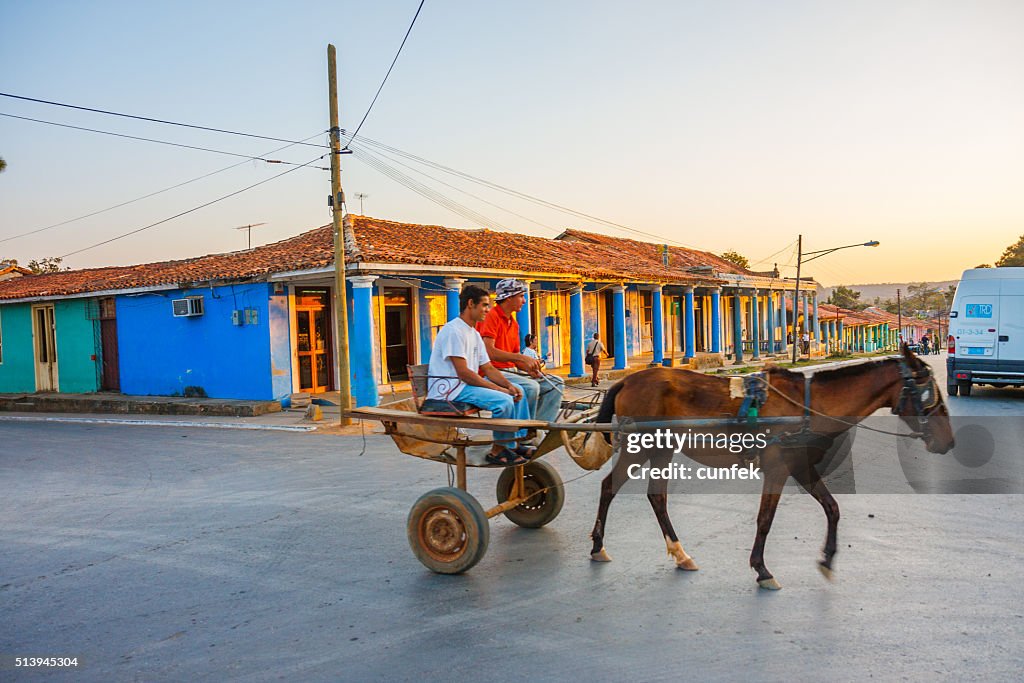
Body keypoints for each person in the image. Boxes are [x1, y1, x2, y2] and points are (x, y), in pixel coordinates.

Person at [427, 284, 533, 466]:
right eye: (484, 305)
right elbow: (464, 373)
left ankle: (512, 445)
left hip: (463, 386)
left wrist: (508, 386)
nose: (488, 310)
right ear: (470, 304)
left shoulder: (474, 334)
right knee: (503, 401)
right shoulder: (453, 331)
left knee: (517, 393)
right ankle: (497, 451)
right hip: (450, 390)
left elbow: (489, 368)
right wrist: (499, 390)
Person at [478, 279, 565, 425]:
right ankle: (524, 431)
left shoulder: (513, 323)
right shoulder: (491, 317)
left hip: (512, 372)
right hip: (492, 373)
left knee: (556, 383)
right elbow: (489, 351)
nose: (524, 301)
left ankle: (539, 426)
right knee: (531, 387)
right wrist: (522, 358)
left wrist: (531, 369)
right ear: (509, 297)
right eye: (521, 296)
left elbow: (516, 360)